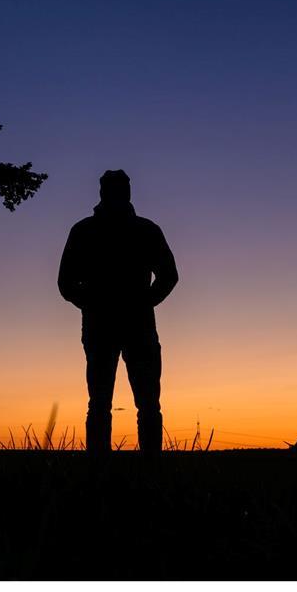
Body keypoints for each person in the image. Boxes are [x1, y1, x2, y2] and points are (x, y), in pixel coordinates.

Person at [58, 170, 178, 455]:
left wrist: (144, 302)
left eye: (121, 189)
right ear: (104, 193)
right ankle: (111, 470)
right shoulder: (88, 231)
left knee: (139, 403)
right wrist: (93, 303)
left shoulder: (142, 230)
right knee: (108, 403)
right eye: (114, 189)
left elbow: (169, 275)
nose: (117, 194)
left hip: (129, 325)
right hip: (114, 326)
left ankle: (134, 470)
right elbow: (66, 283)